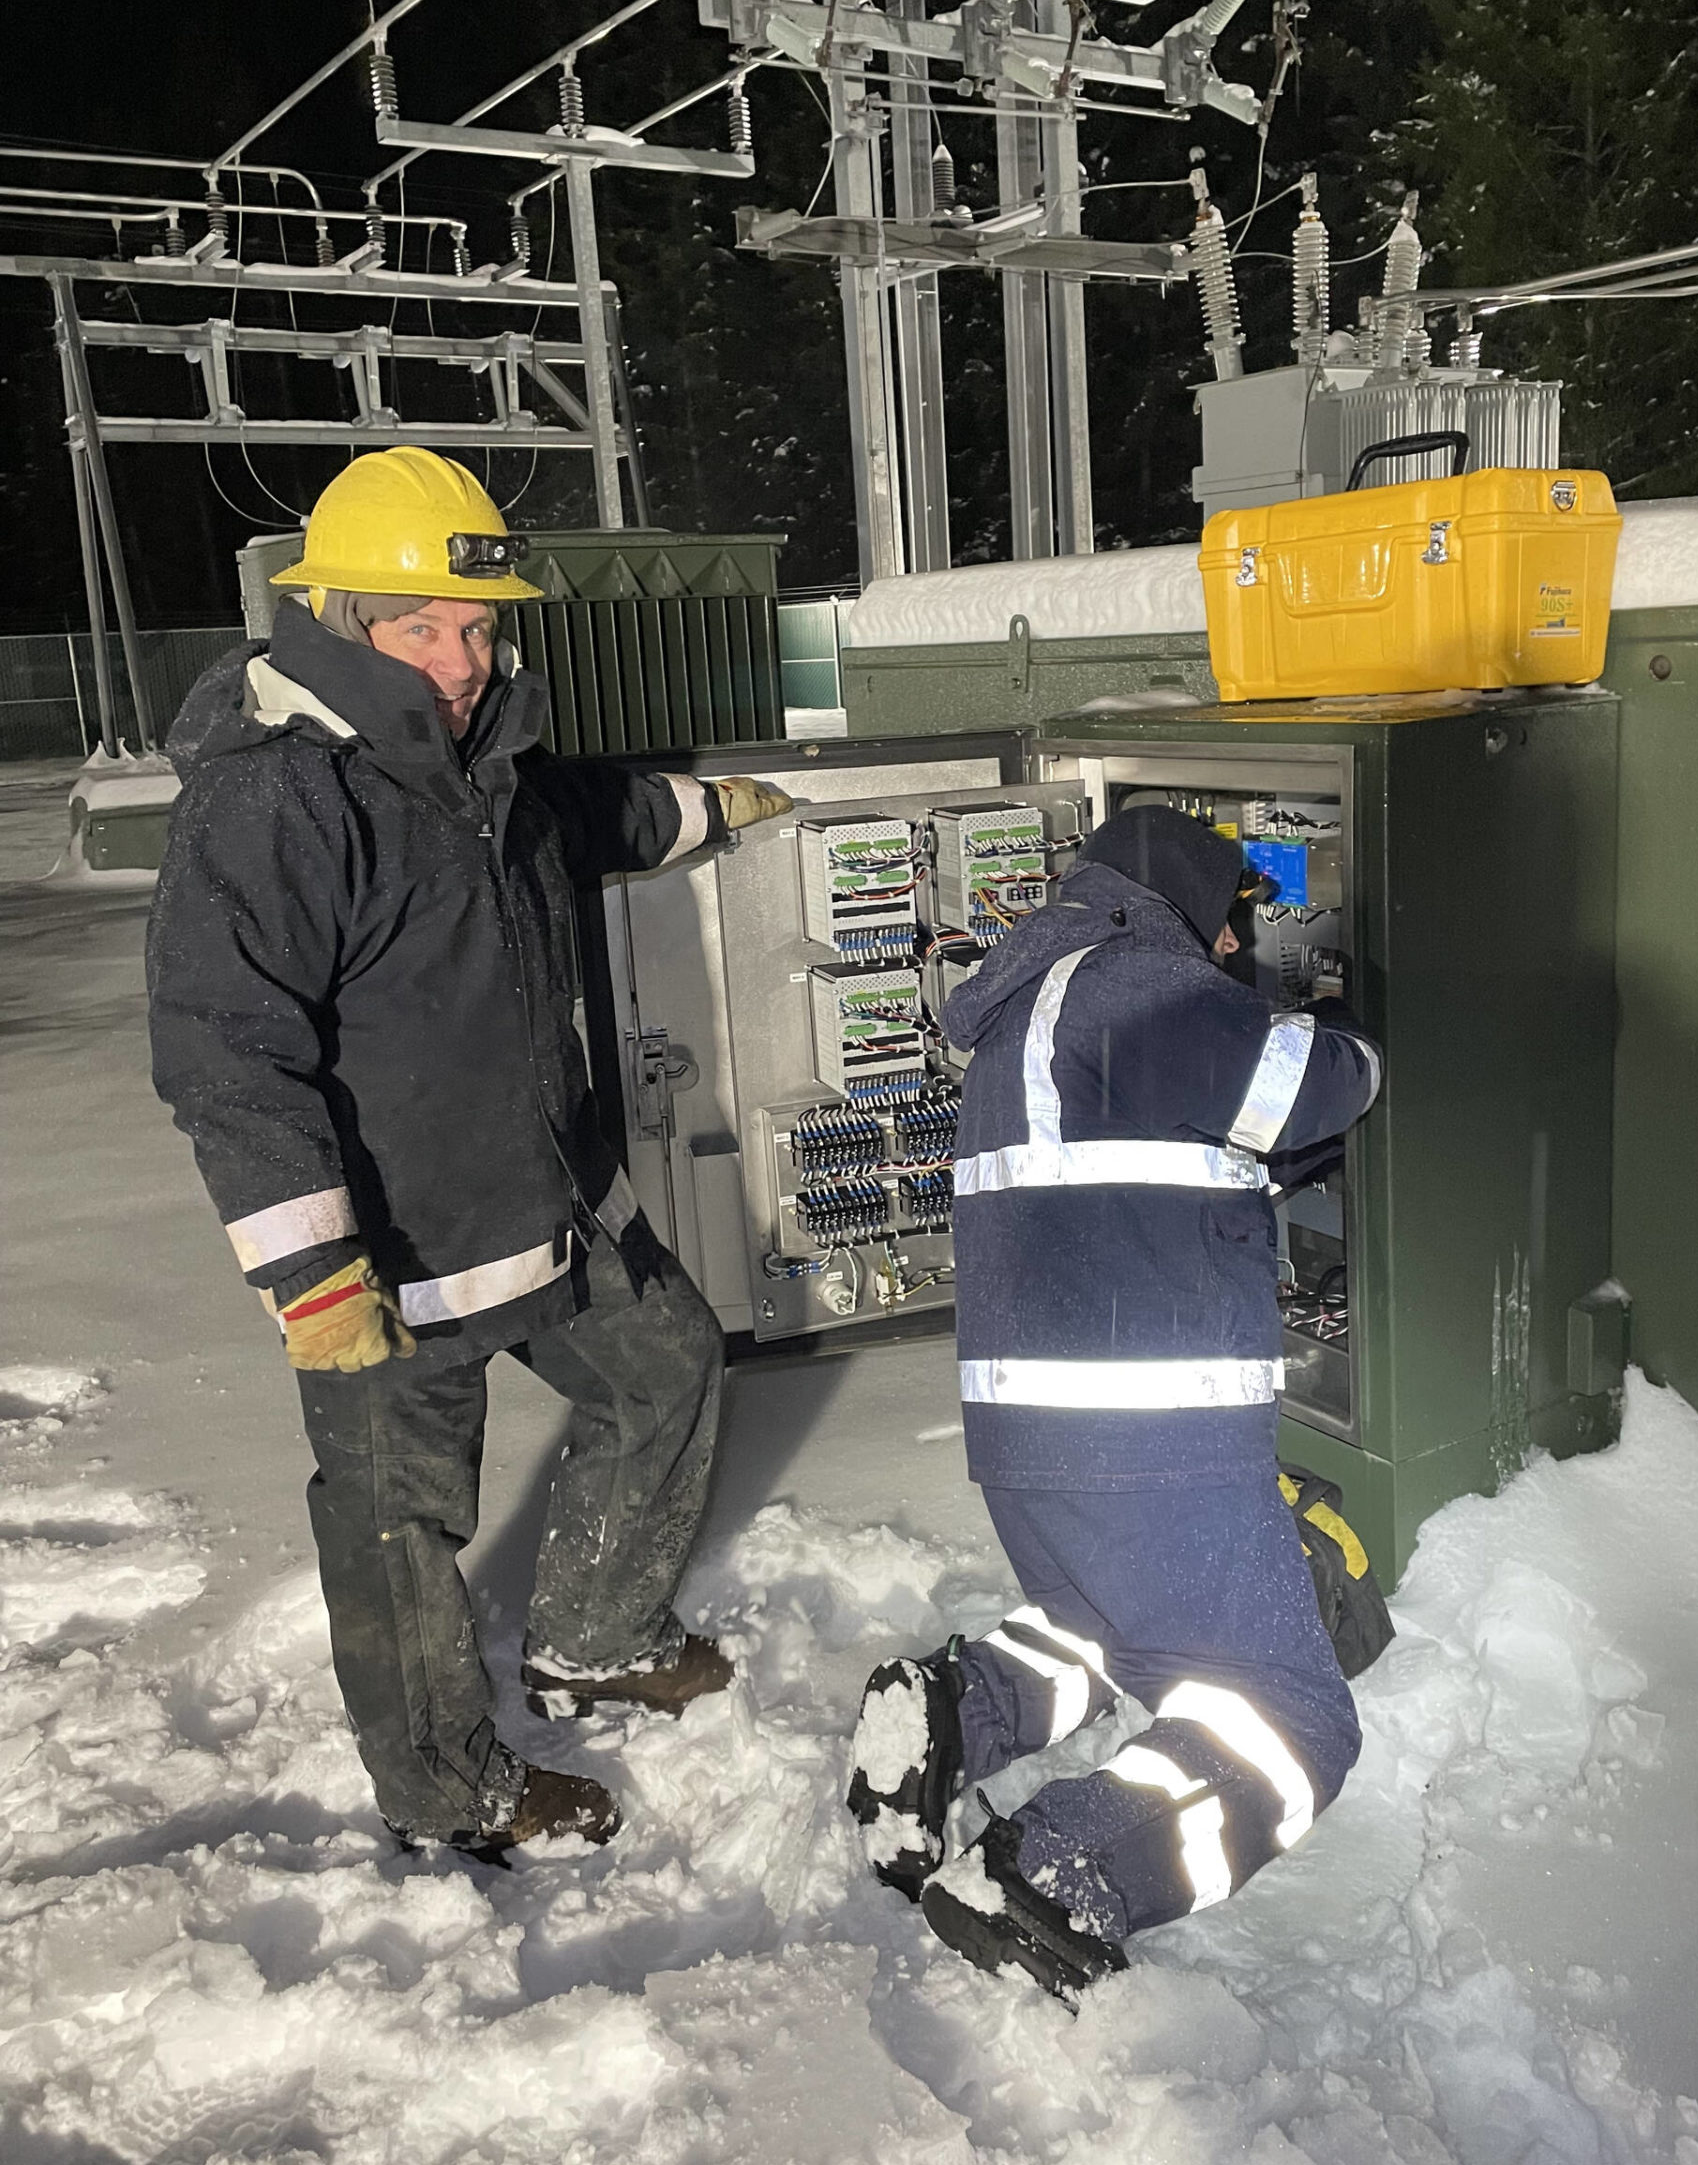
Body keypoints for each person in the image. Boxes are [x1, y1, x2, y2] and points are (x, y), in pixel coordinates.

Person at [147, 447, 792, 1861]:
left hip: (547, 1202)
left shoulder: (484, 763)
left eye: (481, 626)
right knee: (400, 1529)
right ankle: (449, 1789)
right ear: (335, 619)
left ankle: (598, 1634)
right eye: (422, 628)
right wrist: (313, 1275)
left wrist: (712, 808)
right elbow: (224, 1048)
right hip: (390, 1257)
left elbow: (584, 818)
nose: (460, 658)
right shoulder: (276, 801)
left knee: (668, 1364)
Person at [847, 803, 1382, 1999]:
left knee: (1112, 1631)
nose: (1237, 952)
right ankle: (1050, 1870)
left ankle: (948, 1717)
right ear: (1174, 905)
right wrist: (1361, 1037)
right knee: (1293, 1723)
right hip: (1153, 1445)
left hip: (1033, 1441)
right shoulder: (1136, 981)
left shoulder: (1028, 1015)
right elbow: (1309, 1087)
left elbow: (1181, 1145)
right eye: (1230, 925)